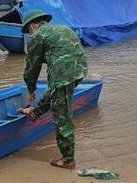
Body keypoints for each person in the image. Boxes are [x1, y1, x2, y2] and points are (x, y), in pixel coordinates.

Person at [17, 9, 88, 169]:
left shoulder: (36, 36)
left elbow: (31, 68)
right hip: (80, 69)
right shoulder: (63, 27)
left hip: (63, 74)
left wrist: (31, 90)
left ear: (32, 26)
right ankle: (34, 112)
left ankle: (68, 160)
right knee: (55, 93)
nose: (29, 32)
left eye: (28, 30)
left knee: (61, 116)